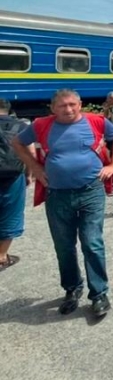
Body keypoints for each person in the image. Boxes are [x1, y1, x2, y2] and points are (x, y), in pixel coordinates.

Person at [12, 89, 113, 316]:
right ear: (53, 108)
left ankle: (99, 294)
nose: (69, 109)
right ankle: (72, 288)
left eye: (73, 104)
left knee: (92, 243)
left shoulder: (95, 121)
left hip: (91, 191)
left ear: (80, 104)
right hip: (58, 195)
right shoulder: (42, 125)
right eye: (63, 106)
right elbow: (17, 143)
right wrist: (35, 168)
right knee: (64, 247)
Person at [0, 98, 33, 272]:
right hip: (13, 176)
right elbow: (30, 152)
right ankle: (2, 256)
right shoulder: (21, 126)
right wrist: (29, 174)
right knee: (11, 213)